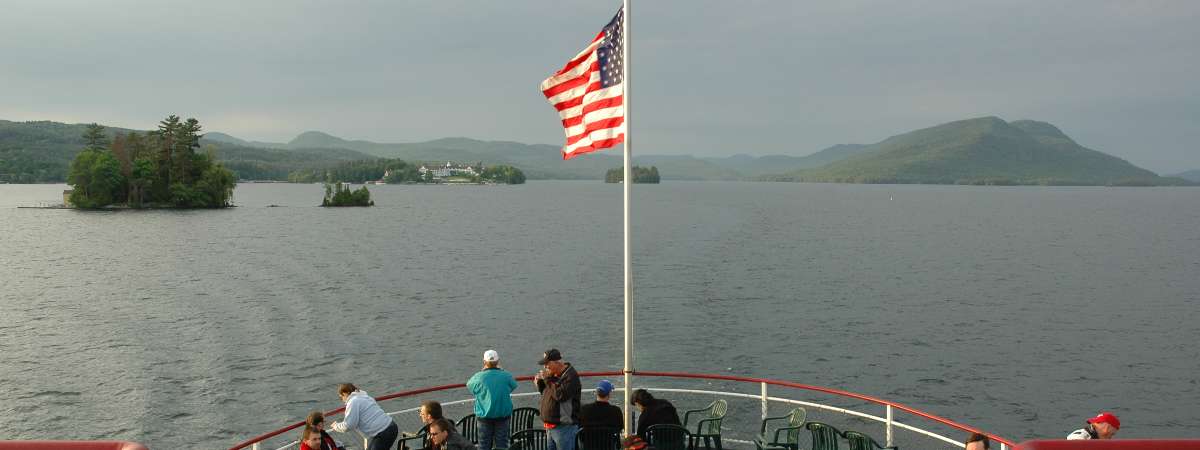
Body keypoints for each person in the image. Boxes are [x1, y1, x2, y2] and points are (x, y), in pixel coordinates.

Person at [468, 349, 519, 450]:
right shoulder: (506, 375)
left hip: (484, 417)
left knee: (483, 445)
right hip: (503, 416)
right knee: (502, 445)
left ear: (484, 362)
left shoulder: (478, 377)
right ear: (498, 362)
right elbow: (513, 385)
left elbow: (470, 386)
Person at [535, 348, 582, 450]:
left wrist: (547, 379)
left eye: (547, 364)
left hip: (564, 428)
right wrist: (540, 384)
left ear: (557, 362)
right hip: (551, 427)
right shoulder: (554, 375)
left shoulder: (571, 377)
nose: (545, 367)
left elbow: (560, 395)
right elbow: (548, 393)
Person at [328, 383, 400, 450]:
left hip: (383, 432)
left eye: (341, 397)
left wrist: (335, 426)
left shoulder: (353, 402)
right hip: (391, 426)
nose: (342, 400)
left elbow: (349, 425)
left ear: (345, 393)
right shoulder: (364, 396)